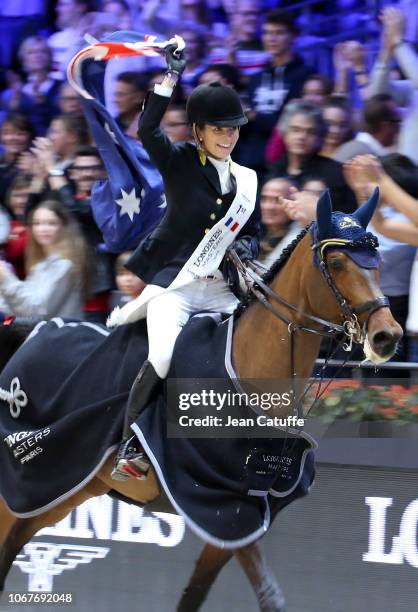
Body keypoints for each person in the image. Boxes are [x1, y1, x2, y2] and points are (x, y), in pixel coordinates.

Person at [110, 44, 261, 481]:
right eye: (219, 130)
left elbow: (249, 230)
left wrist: (247, 249)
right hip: (175, 285)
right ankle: (131, 444)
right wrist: (169, 78)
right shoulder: (177, 161)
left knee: (248, 354)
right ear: (198, 131)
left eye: (233, 130)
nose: (228, 138)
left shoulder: (246, 180)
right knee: (161, 358)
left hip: (219, 288)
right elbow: (148, 128)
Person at [0, 199, 90, 319]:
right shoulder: (40, 264)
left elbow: (38, 310)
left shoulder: (65, 265)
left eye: (51, 223)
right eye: (37, 223)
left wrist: (6, 278)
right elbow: (20, 310)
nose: (43, 229)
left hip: (62, 335)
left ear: (64, 226)